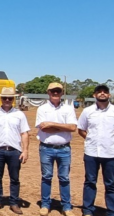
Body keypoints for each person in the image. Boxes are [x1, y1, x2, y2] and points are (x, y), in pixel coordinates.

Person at [78, 84, 114, 216]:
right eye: (99, 92)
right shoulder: (87, 111)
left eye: (105, 92)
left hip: (110, 154)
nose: (102, 93)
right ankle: (88, 209)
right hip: (91, 153)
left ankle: (112, 211)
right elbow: (81, 129)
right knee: (90, 181)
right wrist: (91, 139)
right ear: (94, 95)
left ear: (109, 95)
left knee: (110, 184)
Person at [0, 87, 30, 215]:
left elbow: (24, 133)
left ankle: (14, 203)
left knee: (14, 178)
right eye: (5, 98)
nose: (7, 100)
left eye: (10, 98)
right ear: (1, 99)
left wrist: (25, 150)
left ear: (13, 99)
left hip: (15, 151)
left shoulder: (20, 114)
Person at [35, 82, 78, 216]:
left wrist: (52, 124)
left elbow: (73, 128)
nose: (55, 93)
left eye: (58, 91)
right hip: (46, 148)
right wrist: (63, 127)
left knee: (64, 178)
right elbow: (43, 128)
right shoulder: (42, 109)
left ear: (61, 93)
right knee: (46, 177)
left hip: (64, 149)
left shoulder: (68, 109)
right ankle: (45, 204)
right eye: (53, 91)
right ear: (48, 92)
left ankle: (66, 206)